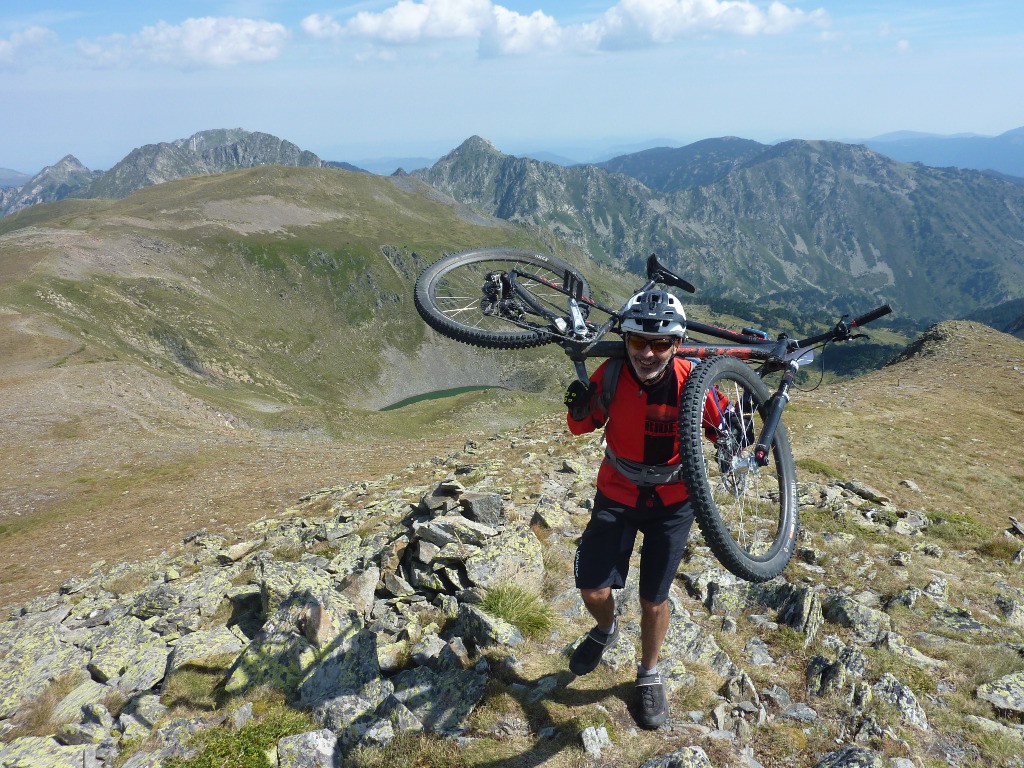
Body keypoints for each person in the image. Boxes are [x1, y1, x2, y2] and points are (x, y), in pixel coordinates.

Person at [562, 288, 727, 729]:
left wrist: (744, 433)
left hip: (674, 504)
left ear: (676, 345)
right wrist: (578, 405)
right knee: (593, 589)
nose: (648, 353)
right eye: (638, 342)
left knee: (653, 599)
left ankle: (648, 674)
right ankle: (606, 629)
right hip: (617, 491)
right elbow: (580, 426)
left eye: (660, 344)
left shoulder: (694, 381)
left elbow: (725, 430)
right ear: (626, 341)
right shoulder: (612, 374)